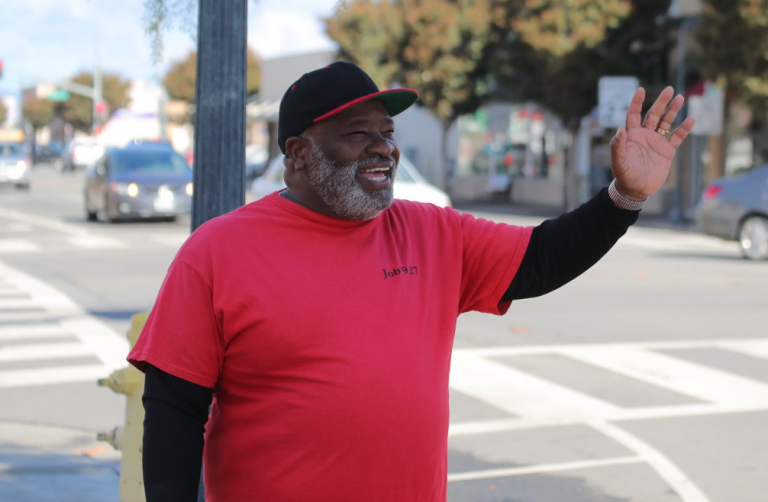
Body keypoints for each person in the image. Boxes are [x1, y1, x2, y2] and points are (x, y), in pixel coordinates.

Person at [128, 61, 695, 502]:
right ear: (299, 154)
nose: (384, 147)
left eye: (387, 131)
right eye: (357, 133)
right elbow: (175, 410)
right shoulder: (219, 251)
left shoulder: (430, 231)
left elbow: (542, 258)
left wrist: (624, 199)